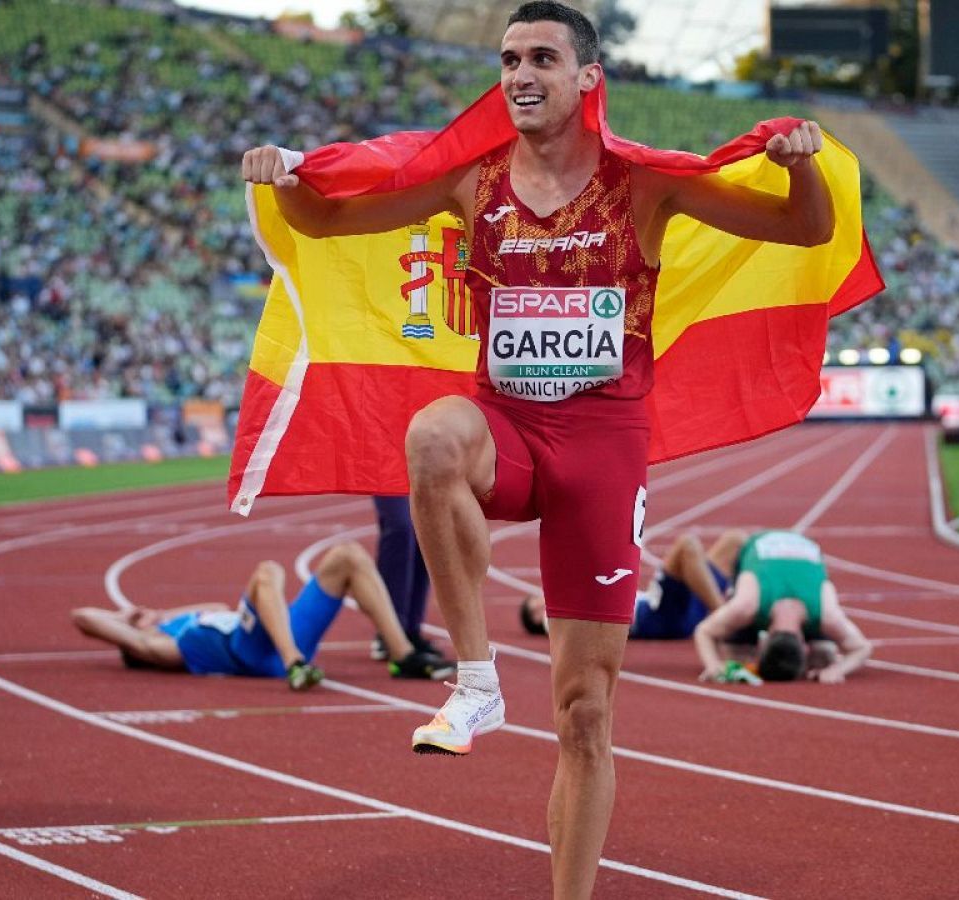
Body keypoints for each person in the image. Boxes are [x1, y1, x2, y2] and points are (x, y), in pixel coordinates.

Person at [241, 3, 835, 895]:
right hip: (506, 429)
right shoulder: (471, 181)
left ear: (588, 80)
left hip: (603, 449)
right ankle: (475, 678)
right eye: (509, 58)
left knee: (585, 714)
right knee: (434, 435)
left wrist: (805, 165)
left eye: (543, 58)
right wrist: (285, 177)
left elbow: (804, 230)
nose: (520, 74)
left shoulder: (641, 183)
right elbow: (327, 225)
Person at [70, 541, 455, 686]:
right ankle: (295, 665)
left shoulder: (178, 622)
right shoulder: (164, 647)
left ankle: (402, 654)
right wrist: (125, 623)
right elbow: (83, 618)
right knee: (268, 570)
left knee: (348, 556)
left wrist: (154, 611)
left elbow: (218, 608)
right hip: (259, 654)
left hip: (280, 632)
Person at [692, 530, 872, 684]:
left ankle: (817, 653)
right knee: (736, 657)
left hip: (799, 547)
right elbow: (703, 631)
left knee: (823, 657)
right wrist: (713, 666)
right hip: (760, 543)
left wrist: (838, 669)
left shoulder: (827, 614)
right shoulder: (746, 604)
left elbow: (863, 648)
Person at [519, 529, 747, 639]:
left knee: (734, 542)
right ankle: (724, 618)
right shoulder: (553, 619)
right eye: (536, 602)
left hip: (669, 607)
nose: (541, 597)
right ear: (536, 615)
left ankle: (744, 606)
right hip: (656, 616)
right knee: (687, 546)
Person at [370, 496, 448, 665]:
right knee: (400, 527)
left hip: (425, 469)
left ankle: (412, 630)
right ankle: (390, 631)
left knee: (425, 530)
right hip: (388, 471)